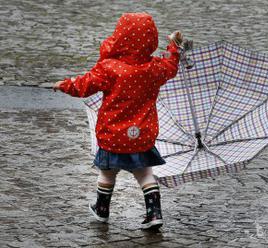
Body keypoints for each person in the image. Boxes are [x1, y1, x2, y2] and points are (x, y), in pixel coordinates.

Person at [53, 12, 183, 230]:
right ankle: (154, 214)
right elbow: (172, 67)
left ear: (119, 37)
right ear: (151, 39)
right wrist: (174, 47)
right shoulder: (154, 68)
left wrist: (64, 85)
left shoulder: (109, 67)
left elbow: (84, 85)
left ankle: (102, 210)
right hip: (141, 135)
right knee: (145, 174)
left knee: (107, 173)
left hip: (112, 136)